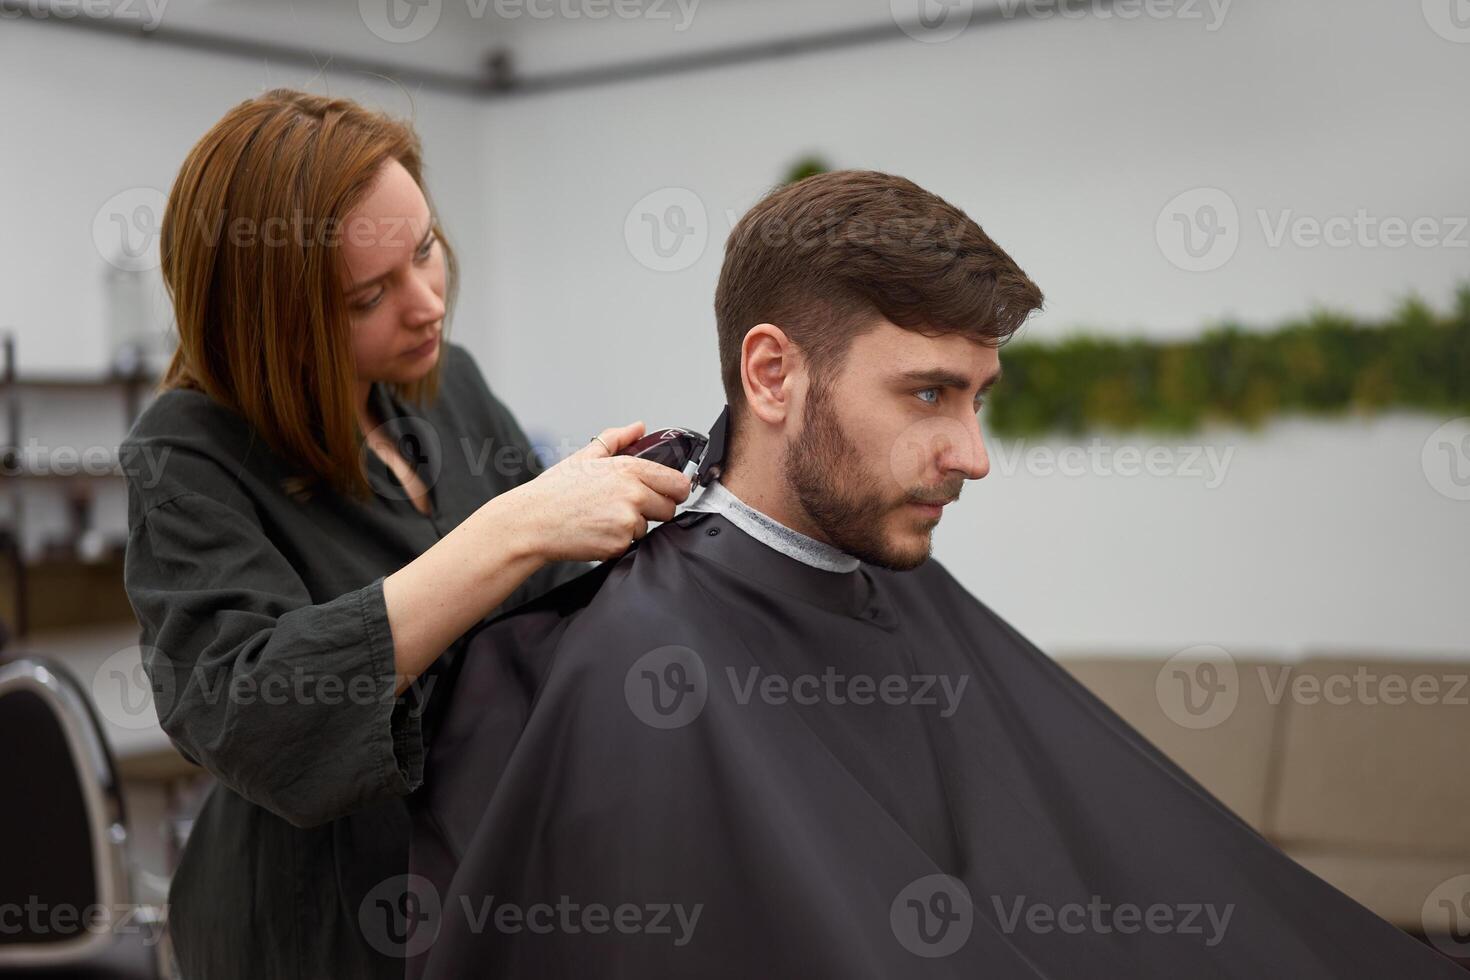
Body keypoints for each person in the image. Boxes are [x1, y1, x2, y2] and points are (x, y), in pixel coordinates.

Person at [406, 170, 1461, 978]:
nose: (973, 451)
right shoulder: (642, 658)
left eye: (979, 397)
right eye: (926, 395)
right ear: (772, 373)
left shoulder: (886, 573)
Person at [118, 89, 690, 980]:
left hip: (485, 884)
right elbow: (253, 713)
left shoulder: (446, 387)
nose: (426, 304)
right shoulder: (186, 456)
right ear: (274, 320)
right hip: (317, 936)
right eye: (367, 297)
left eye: (425, 250)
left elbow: (548, 619)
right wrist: (514, 527)